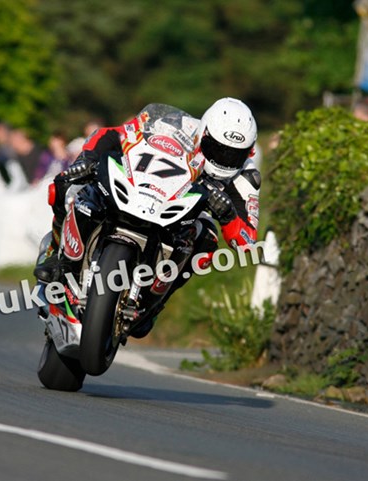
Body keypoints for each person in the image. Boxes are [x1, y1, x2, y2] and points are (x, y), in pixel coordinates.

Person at [34, 98, 260, 335]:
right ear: (203, 132)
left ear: (249, 152)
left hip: (182, 218)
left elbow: (247, 242)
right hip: (140, 189)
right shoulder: (175, 125)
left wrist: (227, 214)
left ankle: (154, 302)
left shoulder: (247, 177)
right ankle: (57, 255)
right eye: (217, 149)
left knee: (207, 239)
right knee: (68, 187)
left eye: (233, 155)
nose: (222, 160)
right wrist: (87, 159)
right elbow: (113, 134)